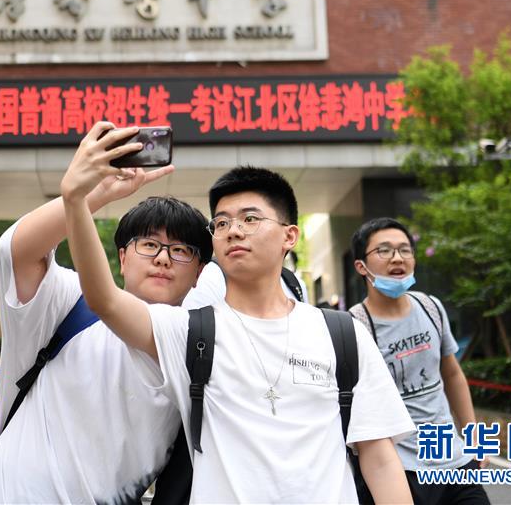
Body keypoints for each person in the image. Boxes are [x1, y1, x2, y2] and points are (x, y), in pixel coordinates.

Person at [61, 124, 415, 503]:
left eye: (250, 219)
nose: (233, 231)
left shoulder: (342, 334)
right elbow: (105, 300)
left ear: (289, 236)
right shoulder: (190, 332)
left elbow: (380, 460)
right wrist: (76, 200)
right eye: (222, 222)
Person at [0, 123, 212, 504]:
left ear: (198, 273)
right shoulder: (70, 302)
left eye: (181, 251)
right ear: (122, 258)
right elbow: (15, 252)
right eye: (149, 244)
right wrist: (88, 196)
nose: (163, 258)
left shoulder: (197, 347)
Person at [349, 217, 491, 505]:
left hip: (453, 462)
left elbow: (452, 374)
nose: (397, 258)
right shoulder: (353, 326)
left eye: (405, 249)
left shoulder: (430, 306)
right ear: (361, 266)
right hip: (396, 470)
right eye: (384, 250)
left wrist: (474, 437)